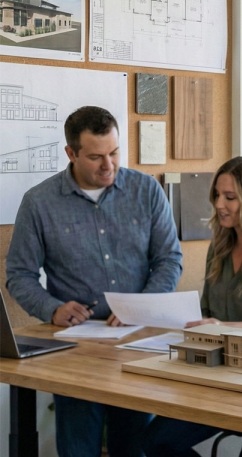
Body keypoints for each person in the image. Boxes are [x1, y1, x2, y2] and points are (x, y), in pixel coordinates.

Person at [6, 105, 183, 457]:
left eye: (115, 152)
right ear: (71, 153)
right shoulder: (39, 203)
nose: (109, 165)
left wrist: (140, 306)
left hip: (137, 345)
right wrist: (52, 309)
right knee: (78, 448)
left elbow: (169, 260)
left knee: (133, 447)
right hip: (75, 353)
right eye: (96, 156)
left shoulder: (146, 190)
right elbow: (19, 275)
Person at [142, 156, 242, 457]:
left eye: (230, 197)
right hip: (228, 374)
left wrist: (222, 328)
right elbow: (207, 312)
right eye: (216, 195)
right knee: (156, 442)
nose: (219, 204)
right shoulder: (219, 246)